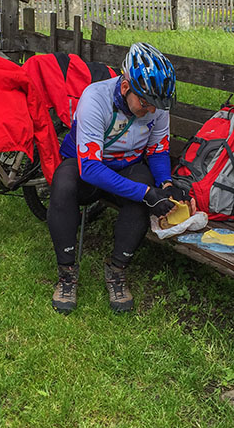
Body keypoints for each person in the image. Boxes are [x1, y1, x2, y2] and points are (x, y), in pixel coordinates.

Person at [47, 42, 186, 314]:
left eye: (156, 106)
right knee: (63, 184)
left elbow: (158, 150)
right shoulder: (94, 99)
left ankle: (117, 270)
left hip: (126, 166)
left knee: (143, 191)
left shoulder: (156, 106)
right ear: (125, 88)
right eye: (145, 104)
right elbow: (90, 169)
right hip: (87, 167)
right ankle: (67, 273)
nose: (151, 112)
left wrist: (165, 184)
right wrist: (145, 193)